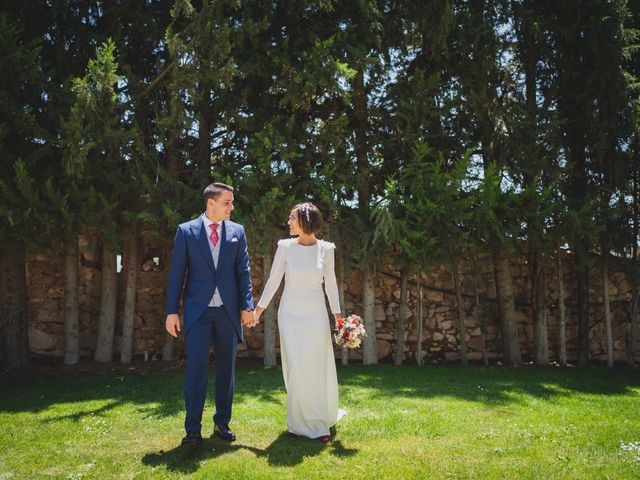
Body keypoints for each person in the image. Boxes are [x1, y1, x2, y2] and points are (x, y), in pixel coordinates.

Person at [165, 182, 254, 447]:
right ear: (211, 203)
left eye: (232, 202)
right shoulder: (186, 231)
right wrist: (171, 311)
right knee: (196, 370)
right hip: (197, 312)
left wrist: (247, 306)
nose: (232, 207)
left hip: (228, 311)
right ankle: (192, 429)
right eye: (227, 202)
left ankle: (222, 423)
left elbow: (243, 272)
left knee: (227, 370)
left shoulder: (237, 231)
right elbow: (177, 275)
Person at [254, 202, 345, 443]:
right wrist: (259, 310)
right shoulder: (285, 247)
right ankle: (296, 422)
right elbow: (274, 280)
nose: (288, 223)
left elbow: (331, 284)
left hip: (315, 314)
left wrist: (338, 317)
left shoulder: (326, 249)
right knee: (295, 366)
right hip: (290, 314)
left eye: (292, 218)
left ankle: (318, 423)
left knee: (314, 366)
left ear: (305, 221)